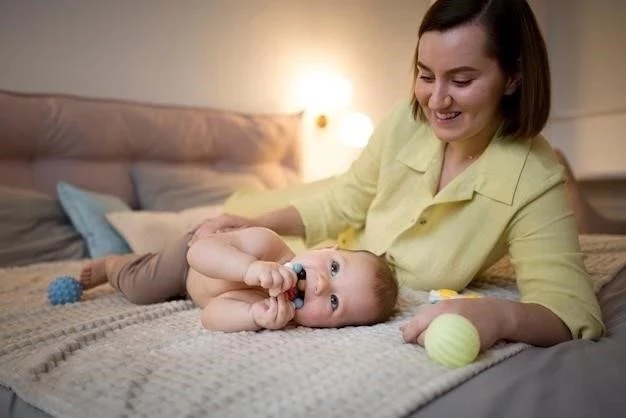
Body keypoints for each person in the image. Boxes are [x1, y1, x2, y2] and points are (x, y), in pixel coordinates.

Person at [191, 0, 605, 350]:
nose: (436, 100)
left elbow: (571, 311)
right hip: (282, 229)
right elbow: (341, 202)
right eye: (425, 75)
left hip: (312, 261)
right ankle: (123, 265)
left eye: (461, 80)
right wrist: (253, 223)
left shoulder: (533, 178)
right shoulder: (407, 121)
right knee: (193, 239)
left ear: (513, 77)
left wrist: (498, 316)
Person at [79, 227, 398, 332]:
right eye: (334, 268)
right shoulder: (267, 244)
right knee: (141, 287)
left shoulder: (271, 308)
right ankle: (112, 265)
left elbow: (210, 315)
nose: (320, 285)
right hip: (188, 261)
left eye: (334, 302)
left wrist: (252, 317)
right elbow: (199, 253)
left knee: (155, 287)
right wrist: (249, 268)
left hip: (193, 292)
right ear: (325, 248)